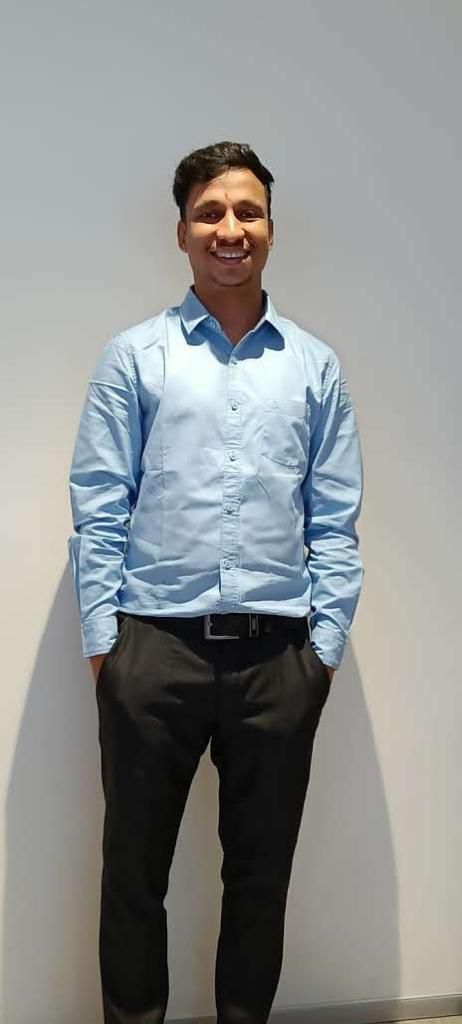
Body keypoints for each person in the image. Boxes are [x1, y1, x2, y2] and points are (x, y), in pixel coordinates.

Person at [67, 140, 365, 1024]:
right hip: (152, 651)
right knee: (133, 876)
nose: (229, 228)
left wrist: (321, 654)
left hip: (279, 659)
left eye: (247, 212)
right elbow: (99, 506)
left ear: (270, 228)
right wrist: (107, 650)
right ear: (182, 232)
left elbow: (335, 521)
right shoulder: (135, 357)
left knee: (261, 879)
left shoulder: (314, 367)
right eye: (209, 213)